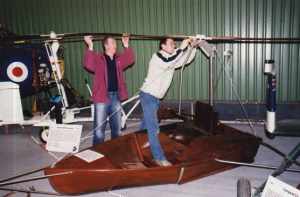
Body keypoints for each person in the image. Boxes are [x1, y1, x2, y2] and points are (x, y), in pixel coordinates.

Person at [140, 37, 198, 166]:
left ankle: (138, 147)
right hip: (148, 96)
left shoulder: (170, 60)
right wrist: (182, 47)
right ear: (163, 46)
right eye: (171, 44)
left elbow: (185, 60)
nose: (174, 45)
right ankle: (159, 158)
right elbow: (170, 60)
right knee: (153, 129)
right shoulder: (158, 57)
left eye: (174, 44)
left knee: (145, 127)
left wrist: (192, 47)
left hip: (154, 98)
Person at [83, 34, 135, 145]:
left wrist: (126, 45)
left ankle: (115, 151)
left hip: (116, 97)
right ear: (106, 45)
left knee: (116, 130)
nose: (115, 45)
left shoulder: (118, 59)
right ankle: (97, 154)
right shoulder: (98, 59)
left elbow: (130, 59)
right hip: (102, 97)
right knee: (99, 132)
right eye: (112, 42)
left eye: (115, 42)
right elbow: (88, 64)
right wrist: (90, 46)